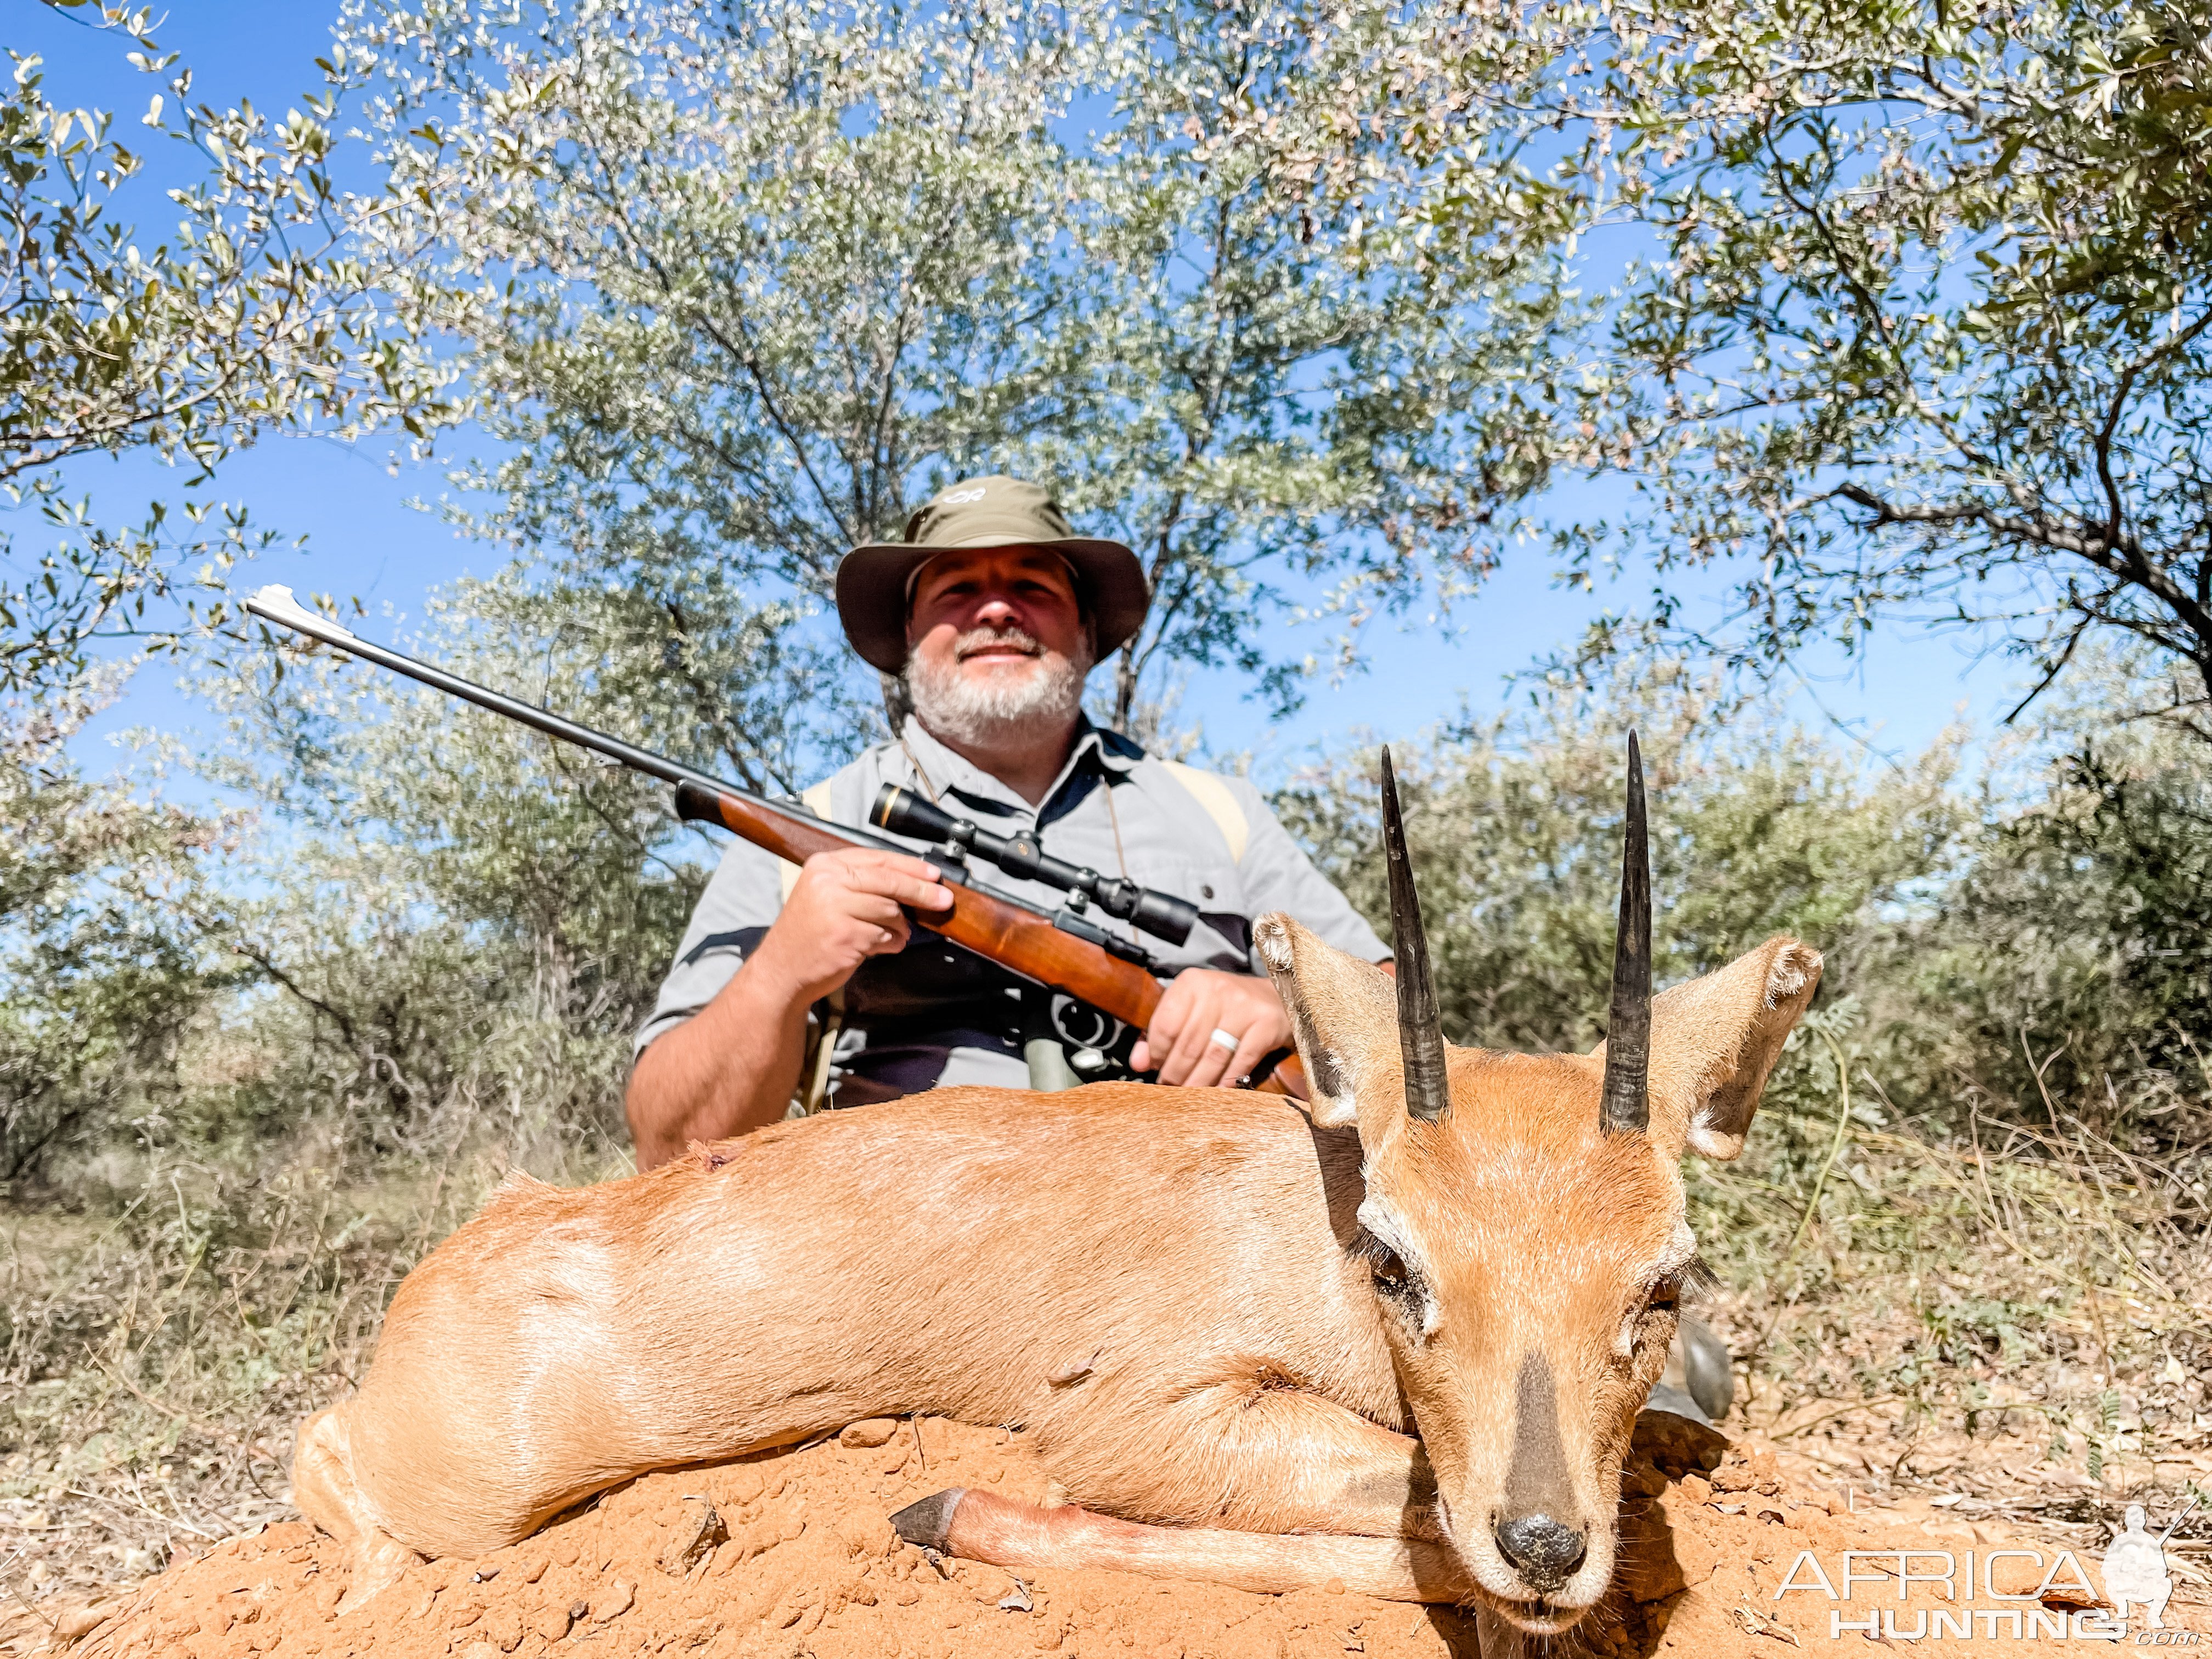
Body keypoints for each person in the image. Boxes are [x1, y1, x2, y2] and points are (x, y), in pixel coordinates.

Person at [625, 476, 1390, 1168]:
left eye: (1033, 585)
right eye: (957, 589)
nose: (996, 609)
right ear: (909, 638)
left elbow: (1398, 1006)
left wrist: (1282, 1005)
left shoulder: (1221, 811)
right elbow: (669, 1147)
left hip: (1217, 1251)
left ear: (1087, 635)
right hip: (908, 1269)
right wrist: (781, 974)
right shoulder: (810, 832)